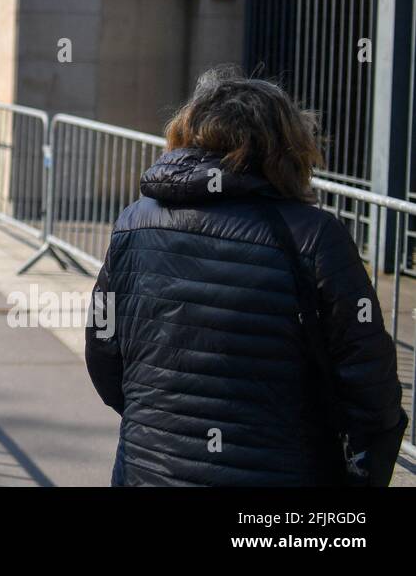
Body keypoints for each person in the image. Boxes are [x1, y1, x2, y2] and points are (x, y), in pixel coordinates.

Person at [85, 67, 407, 486]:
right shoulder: (313, 236)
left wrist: (161, 426)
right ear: (287, 146)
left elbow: (103, 352)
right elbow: (371, 389)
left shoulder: (133, 222)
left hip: (148, 469)